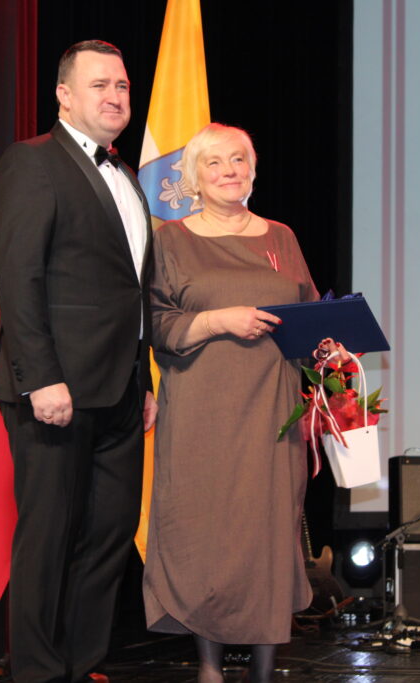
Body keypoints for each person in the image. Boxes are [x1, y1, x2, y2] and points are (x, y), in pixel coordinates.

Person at [0, 39, 157, 683]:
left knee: (109, 534)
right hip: (54, 390)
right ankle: (36, 672)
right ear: (63, 95)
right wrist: (41, 379)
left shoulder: (128, 176)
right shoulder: (32, 162)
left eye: (122, 85)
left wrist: (143, 379)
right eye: (100, 85)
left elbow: (132, 291)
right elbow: (18, 278)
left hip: (121, 391)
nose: (115, 96)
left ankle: (81, 664)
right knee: (48, 537)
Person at [142, 123, 318, 683]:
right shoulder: (170, 239)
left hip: (273, 410)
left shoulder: (281, 237)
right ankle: (210, 667)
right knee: (204, 531)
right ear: (194, 177)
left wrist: (332, 343)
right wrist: (220, 320)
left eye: (238, 159)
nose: (228, 171)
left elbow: (310, 312)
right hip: (201, 411)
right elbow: (156, 324)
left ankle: (264, 669)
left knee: (268, 533)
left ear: (253, 169)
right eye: (214, 162)